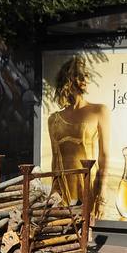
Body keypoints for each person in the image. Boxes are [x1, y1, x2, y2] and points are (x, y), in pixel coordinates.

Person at [46, 56, 109, 216]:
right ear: (68, 80)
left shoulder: (99, 111)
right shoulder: (54, 119)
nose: (84, 79)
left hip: (88, 185)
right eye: (79, 75)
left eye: (85, 75)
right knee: (64, 235)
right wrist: (54, 191)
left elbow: (104, 156)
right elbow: (55, 160)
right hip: (64, 189)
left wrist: (101, 194)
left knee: (85, 234)